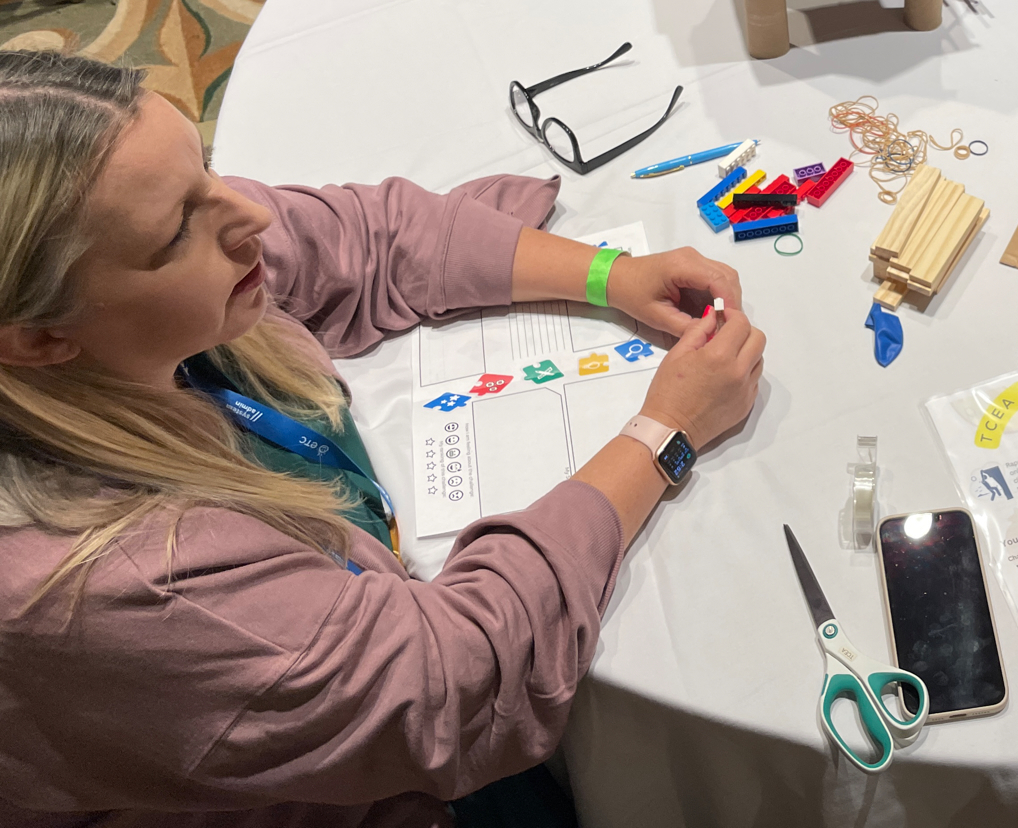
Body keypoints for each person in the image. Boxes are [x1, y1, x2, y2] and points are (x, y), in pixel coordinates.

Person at [0, 51, 767, 827]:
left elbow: (369, 235)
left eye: (208, 170)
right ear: (36, 339)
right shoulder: (116, 584)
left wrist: (609, 274)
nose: (251, 217)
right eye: (175, 234)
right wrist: (664, 433)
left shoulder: (151, 249)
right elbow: (456, 679)